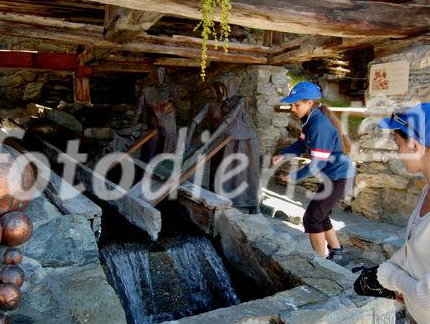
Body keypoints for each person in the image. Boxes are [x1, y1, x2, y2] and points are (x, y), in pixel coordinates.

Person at [272, 81, 355, 265]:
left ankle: (321, 263)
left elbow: (317, 164)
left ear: (310, 103)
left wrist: (295, 177)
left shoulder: (319, 126)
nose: (293, 109)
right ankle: (337, 252)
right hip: (333, 177)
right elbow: (301, 145)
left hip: (341, 178)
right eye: (292, 104)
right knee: (320, 215)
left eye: (296, 104)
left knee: (312, 218)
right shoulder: (310, 122)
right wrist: (283, 154)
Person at [376, 103, 430, 324]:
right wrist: (403, 285)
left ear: (415, 146)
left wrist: (391, 277)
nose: (398, 153)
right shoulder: (427, 189)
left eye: (398, 145)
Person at [186, 75, 260, 214]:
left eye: (223, 88)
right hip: (222, 140)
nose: (220, 92)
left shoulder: (239, 101)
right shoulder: (212, 103)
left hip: (242, 140)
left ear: (229, 88)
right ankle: (220, 196)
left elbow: (226, 121)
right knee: (220, 167)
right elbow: (196, 120)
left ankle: (249, 202)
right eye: (217, 88)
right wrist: (187, 143)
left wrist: (207, 144)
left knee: (242, 171)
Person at [133, 67, 178, 162]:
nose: (159, 75)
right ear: (153, 74)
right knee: (150, 151)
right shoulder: (146, 90)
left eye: (161, 72)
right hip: (154, 126)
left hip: (169, 127)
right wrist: (133, 126)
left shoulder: (171, 89)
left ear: (166, 74)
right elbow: (138, 110)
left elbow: (175, 105)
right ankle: (146, 172)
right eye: (156, 72)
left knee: (167, 153)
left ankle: (164, 174)